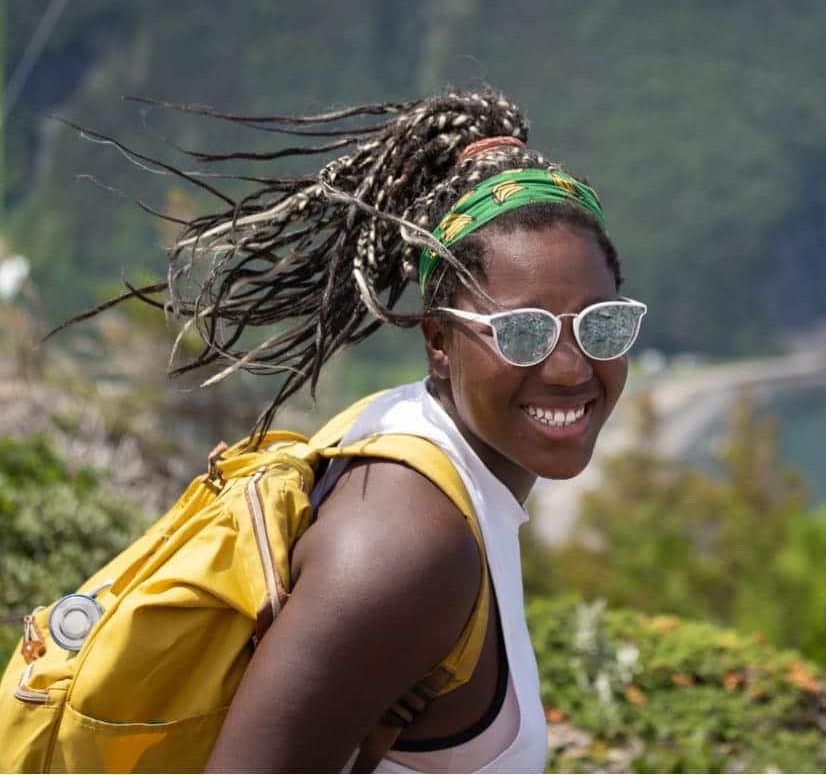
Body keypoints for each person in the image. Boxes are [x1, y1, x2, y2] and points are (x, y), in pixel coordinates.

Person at [77, 86, 645, 772]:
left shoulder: (415, 450)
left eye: (602, 326)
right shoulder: (406, 543)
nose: (570, 367)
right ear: (438, 341)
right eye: (523, 332)